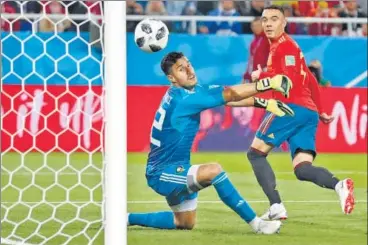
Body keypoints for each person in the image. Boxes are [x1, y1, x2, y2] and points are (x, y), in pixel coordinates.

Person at [128, 52, 294, 234]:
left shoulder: (188, 92)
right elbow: (230, 94)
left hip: (178, 168)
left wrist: (265, 103)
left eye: (189, 64)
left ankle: (126, 218)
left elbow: (227, 100)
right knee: (214, 171)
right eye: (181, 69)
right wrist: (268, 84)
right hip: (162, 174)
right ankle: (258, 224)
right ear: (171, 78)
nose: (190, 71)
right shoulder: (183, 99)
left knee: (184, 222)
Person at [247, 5, 355, 221]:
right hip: (308, 112)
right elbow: (311, 80)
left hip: (289, 108)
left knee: (255, 154)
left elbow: (285, 79)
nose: (268, 23)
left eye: (274, 19)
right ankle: (339, 185)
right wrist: (321, 110)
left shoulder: (284, 47)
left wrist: (261, 76)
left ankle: (276, 205)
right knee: (302, 168)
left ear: (284, 23)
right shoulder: (289, 47)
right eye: (265, 19)